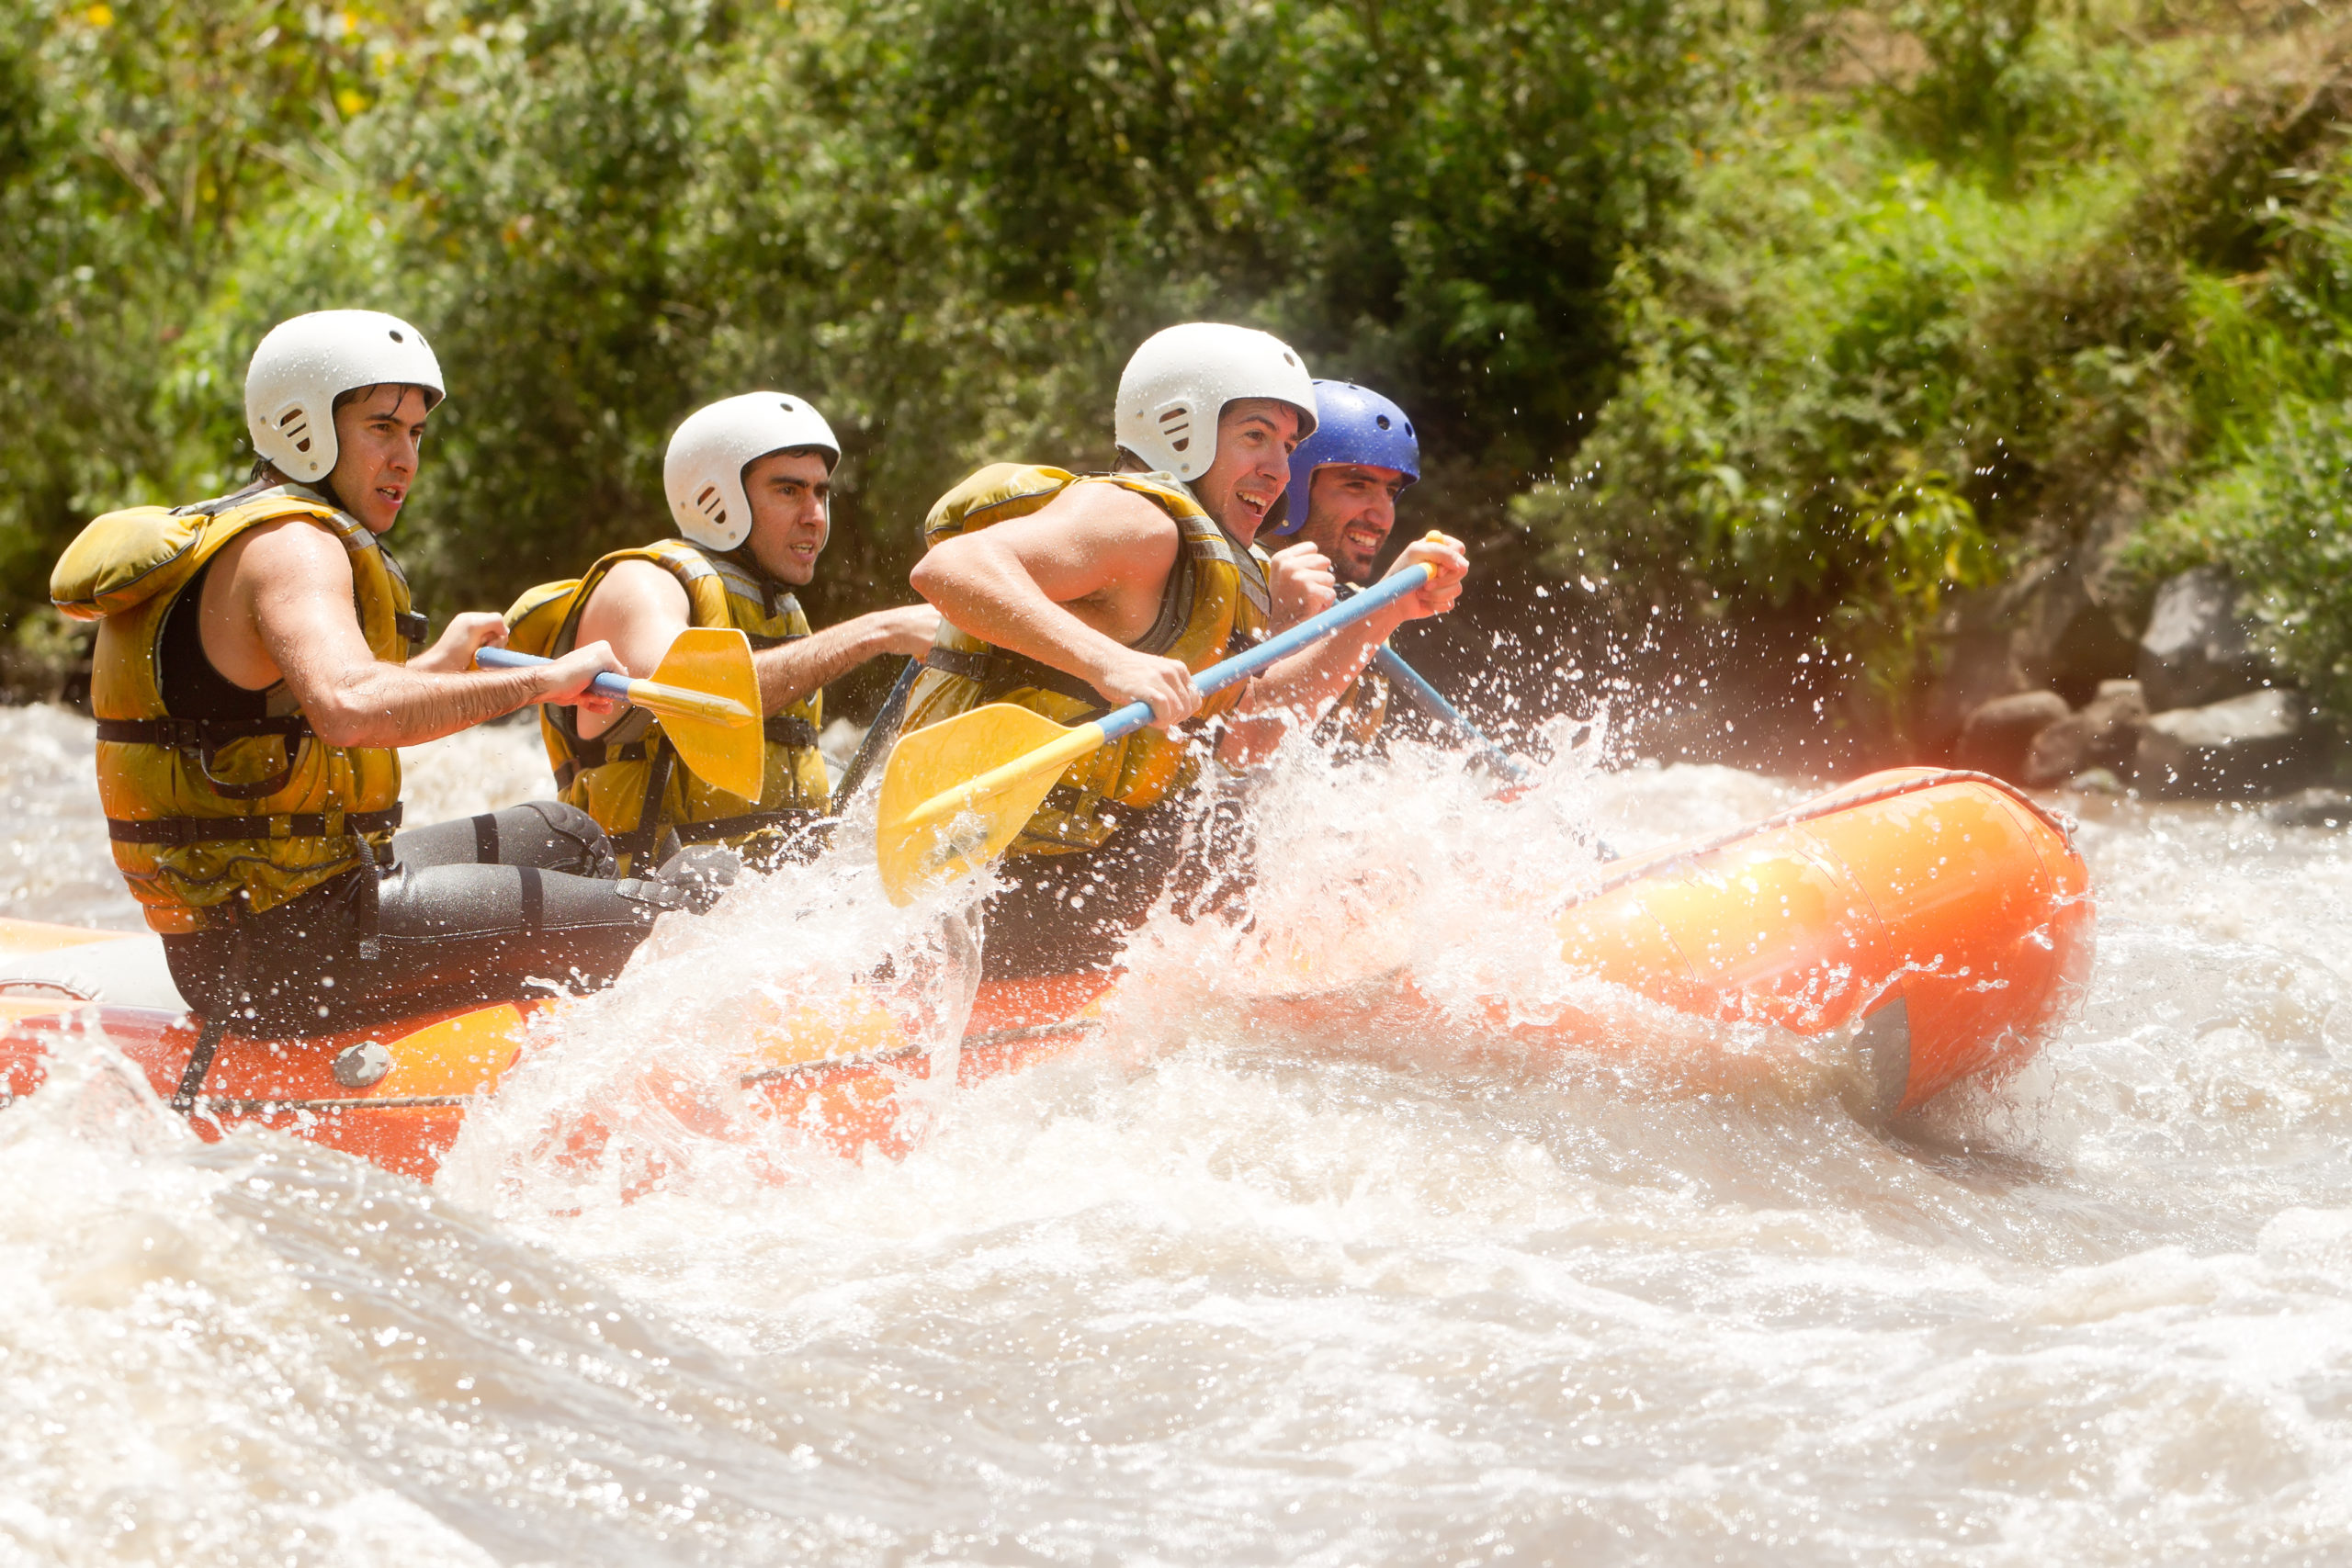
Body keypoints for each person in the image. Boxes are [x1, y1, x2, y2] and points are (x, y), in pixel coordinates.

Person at [53, 310, 720, 1044]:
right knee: (680, 901)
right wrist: (545, 679)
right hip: (288, 954)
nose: (406, 457)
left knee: (568, 834)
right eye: (381, 428)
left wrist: (443, 665)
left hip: (260, 932)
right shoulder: (294, 547)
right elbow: (350, 707)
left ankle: (546, 1014)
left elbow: (311, 718)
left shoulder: (253, 533)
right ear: (302, 426)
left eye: (415, 433)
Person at [897, 323, 1468, 979]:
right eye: (1254, 436)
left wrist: (1389, 608)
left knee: (1282, 843)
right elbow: (952, 569)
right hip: (990, 889)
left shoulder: (1217, 565)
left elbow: (1249, 734)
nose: (1278, 469)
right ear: (1179, 428)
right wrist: (1109, 662)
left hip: (1071, 876)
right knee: (1245, 844)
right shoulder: (1137, 520)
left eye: (1286, 446)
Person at [503, 393, 936, 873]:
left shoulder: (779, 611)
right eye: (789, 491)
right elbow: (687, 696)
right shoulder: (645, 582)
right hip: (638, 901)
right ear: (716, 498)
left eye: (821, 492)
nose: (815, 515)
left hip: (755, 908)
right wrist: (876, 632)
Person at [1262, 378, 1423, 751]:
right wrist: (1281, 624)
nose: (1383, 516)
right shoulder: (1220, 581)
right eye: (1356, 486)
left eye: (1390, 492)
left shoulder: (1358, 608)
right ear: (1293, 488)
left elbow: (1353, 770)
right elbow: (1235, 753)